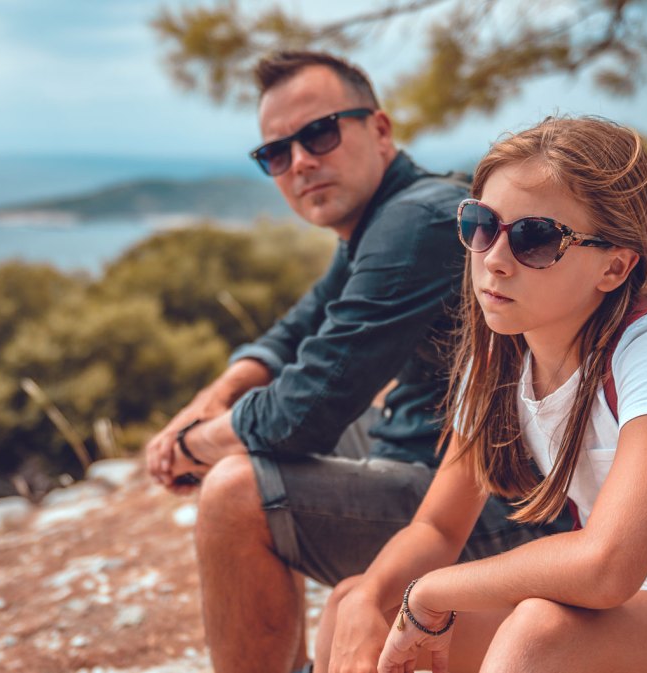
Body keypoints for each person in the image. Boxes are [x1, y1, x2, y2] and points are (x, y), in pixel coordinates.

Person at [318, 116, 647, 673]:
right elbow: (439, 527)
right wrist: (371, 597)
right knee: (355, 607)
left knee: (539, 634)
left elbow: (607, 567)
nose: (494, 258)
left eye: (536, 238)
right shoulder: (501, 354)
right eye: (480, 225)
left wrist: (428, 592)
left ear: (615, 266)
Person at [142, 51, 567, 673]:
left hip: (515, 506)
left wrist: (192, 446)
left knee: (236, 490)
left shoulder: (416, 222)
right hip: (440, 448)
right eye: (276, 154)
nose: (301, 162)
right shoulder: (384, 219)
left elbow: (304, 412)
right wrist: (215, 398)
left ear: (380, 130)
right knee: (247, 446)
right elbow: (297, 329)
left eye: (319, 133)